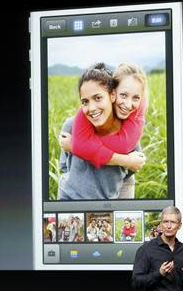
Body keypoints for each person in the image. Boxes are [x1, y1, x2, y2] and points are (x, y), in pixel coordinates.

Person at [58, 63, 149, 199]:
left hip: (107, 207)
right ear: (115, 93)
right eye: (123, 95)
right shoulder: (71, 126)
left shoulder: (129, 136)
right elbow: (64, 166)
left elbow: (129, 176)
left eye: (98, 98)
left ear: (111, 95)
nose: (92, 107)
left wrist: (75, 147)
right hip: (69, 201)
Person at [131, 206, 183, 291]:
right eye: (165, 222)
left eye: (172, 222)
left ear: (179, 225)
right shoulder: (146, 249)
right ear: (160, 225)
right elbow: (136, 283)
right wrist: (159, 274)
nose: (168, 226)